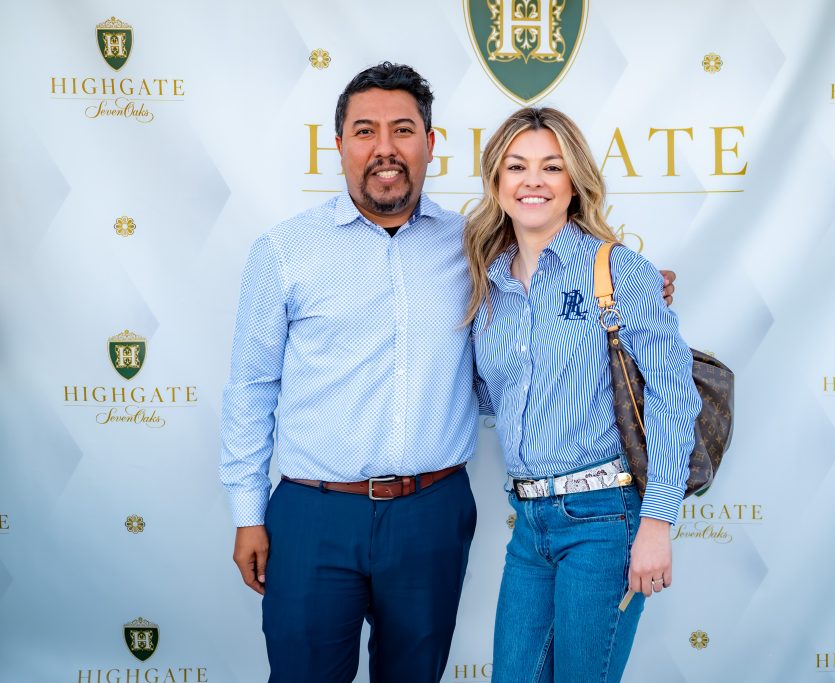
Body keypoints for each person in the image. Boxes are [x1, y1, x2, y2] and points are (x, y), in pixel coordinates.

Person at [220, 63, 676, 683]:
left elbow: (564, 368)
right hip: (314, 513)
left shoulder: (472, 250)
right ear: (339, 145)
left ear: (430, 144)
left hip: (431, 514)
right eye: (365, 131)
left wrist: (636, 293)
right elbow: (251, 389)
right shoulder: (285, 252)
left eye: (403, 129)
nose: (385, 148)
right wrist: (248, 511)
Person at [464, 107, 702, 682]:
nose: (533, 181)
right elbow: (490, 396)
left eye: (552, 166)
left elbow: (674, 397)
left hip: (604, 522)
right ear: (497, 183)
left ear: (575, 183)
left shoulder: (618, 270)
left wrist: (657, 523)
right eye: (517, 167)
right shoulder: (486, 285)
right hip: (530, 524)